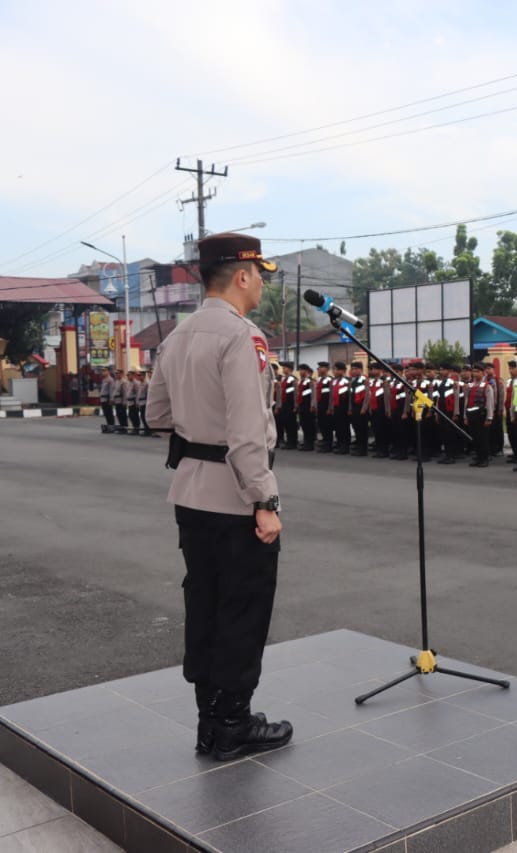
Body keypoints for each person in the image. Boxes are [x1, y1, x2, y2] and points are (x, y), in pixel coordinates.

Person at [144, 231, 292, 761]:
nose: (262, 287)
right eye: (260, 277)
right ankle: (233, 724)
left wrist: (198, 434)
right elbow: (248, 433)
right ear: (243, 275)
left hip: (191, 493)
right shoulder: (242, 336)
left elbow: (157, 415)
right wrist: (265, 501)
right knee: (243, 607)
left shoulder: (177, 337)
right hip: (235, 498)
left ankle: (210, 720)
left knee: (204, 602)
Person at [465, 363, 495, 467]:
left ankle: (484, 459)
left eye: (477, 372)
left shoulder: (487, 386)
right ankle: (478, 457)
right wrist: (465, 416)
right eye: (474, 371)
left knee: (483, 438)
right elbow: (466, 401)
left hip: (481, 415)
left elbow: (490, 403)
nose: (475, 374)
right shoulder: (470, 386)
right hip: (471, 414)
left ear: (483, 373)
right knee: (475, 438)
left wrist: (489, 418)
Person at [329, 362, 351, 455]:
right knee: (337, 427)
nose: (335, 371)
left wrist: (349, 408)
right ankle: (339, 444)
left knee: (344, 427)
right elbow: (331, 396)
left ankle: (345, 446)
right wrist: (330, 407)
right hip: (336, 407)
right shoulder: (333, 381)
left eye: (337, 370)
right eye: (334, 369)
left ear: (343, 371)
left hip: (344, 407)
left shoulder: (347, 381)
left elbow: (350, 397)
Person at [348, 361, 369, 457]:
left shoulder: (364, 380)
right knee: (356, 428)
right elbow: (350, 396)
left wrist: (364, 408)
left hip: (361, 408)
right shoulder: (352, 381)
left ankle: (363, 450)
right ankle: (359, 447)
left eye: (356, 369)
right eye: (352, 369)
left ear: (361, 370)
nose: (353, 371)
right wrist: (350, 408)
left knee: (362, 429)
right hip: (354, 408)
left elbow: (367, 396)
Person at [277, 362, 298, 450]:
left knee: (291, 424)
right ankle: (288, 440)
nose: (283, 369)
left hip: (290, 404)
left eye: (284, 368)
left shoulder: (293, 379)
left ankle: (292, 442)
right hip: (284, 405)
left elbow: (296, 393)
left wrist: (296, 406)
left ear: (289, 369)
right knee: (286, 423)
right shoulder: (283, 379)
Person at [296, 364, 316, 451]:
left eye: (302, 370)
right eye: (300, 370)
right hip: (302, 406)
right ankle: (306, 441)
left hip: (308, 406)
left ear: (307, 371)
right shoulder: (301, 381)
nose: (300, 372)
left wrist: (312, 405)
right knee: (303, 424)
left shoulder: (310, 381)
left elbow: (313, 395)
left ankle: (310, 443)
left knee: (309, 425)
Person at [314, 361, 333, 452]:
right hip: (320, 406)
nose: (319, 369)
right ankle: (325, 441)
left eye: (321, 367)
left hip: (326, 407)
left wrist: (330, 408)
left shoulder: (330, 380)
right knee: (321, 424)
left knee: (327, 425)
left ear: (327, 369)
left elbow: (331, 396)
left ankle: (328, 444)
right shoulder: (318, 380)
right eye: (318, 367)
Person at [98, 368, 117, 432]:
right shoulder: (104, 380)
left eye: (104, 371)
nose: (103, 372)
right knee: (106, 413)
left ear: (108, 371)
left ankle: (112, 426)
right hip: (103, 399)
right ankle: (109, 426)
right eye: (102, 371)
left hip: (107, 399)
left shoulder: (110, 380)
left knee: (109, 413)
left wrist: (111, 399)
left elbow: (111, 390)